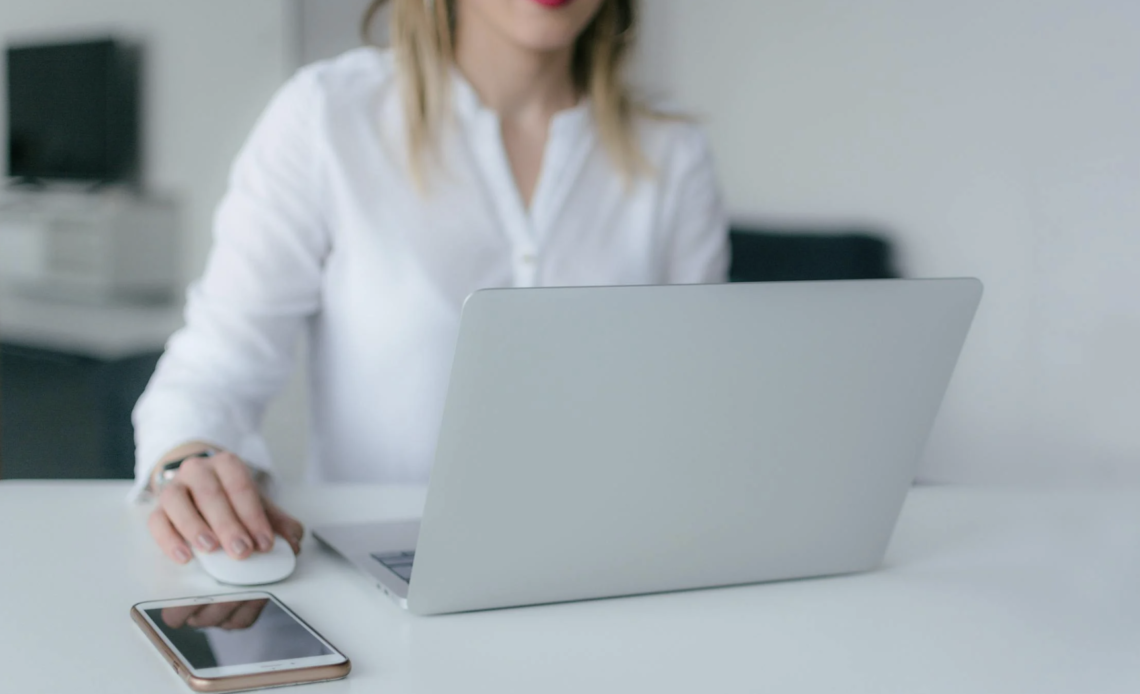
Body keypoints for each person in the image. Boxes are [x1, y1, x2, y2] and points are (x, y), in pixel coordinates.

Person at [132, 0, 729, 566]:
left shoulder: (674, 155)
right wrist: (187, 458)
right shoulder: (328, 117)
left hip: (612, 569)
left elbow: (697, 408)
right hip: (383, 570)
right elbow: (214, 369)